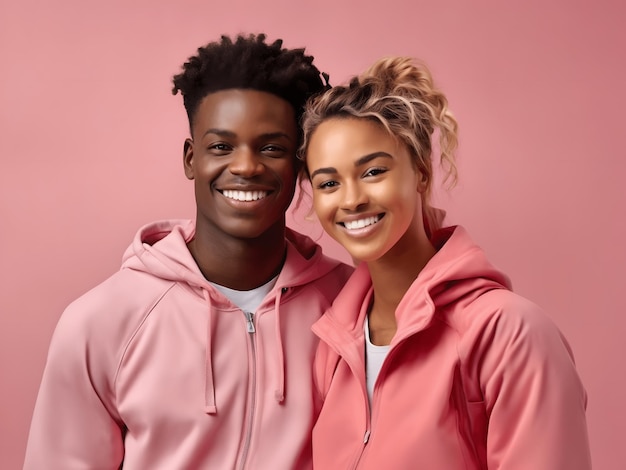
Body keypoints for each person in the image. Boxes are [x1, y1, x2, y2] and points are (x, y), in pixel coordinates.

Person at [23, 34, 353, 469]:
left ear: (299, 164)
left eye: (271, 147)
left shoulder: (352, 304)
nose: (246, 166)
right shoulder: (101, 321)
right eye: (221, 146)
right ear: (190, 159)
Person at [299, 57, 592, 469]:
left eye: (373, 171)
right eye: (329, 183)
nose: (350, 200)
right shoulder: (332, 348)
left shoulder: (510, 335)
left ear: (420, 172)